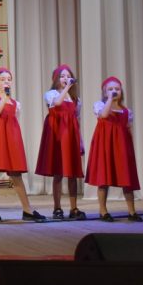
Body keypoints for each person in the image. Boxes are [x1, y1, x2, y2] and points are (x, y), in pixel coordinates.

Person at [0, 68, 46, 223]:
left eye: (8, 79)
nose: (6, 81)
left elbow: (13, 121)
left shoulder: (16, 103)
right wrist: (4, 98)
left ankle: (27, 210)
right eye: (2, 79)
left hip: (9, 137)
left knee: (16, 174)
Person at [85, 77, 143, 222]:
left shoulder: (126, 111)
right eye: (110, 89)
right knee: (104, 178)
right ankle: (103, 211)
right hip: (105, 146)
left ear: (121, 91)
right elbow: (104, 115)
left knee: (126, 178)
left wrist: (129, 150)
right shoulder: (100, 105)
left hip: (121, 146)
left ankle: (132, 211)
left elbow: (128, 130)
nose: (114, 91)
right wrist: (110, 100)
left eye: (117, 89)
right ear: (105, 92)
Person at [34, 64, 86, 220]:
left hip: (71, 137)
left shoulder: (76, 100)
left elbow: (76, 120)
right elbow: (57, 103)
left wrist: (80, 141)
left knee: (73, 173)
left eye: (68, 76)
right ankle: (57, 208)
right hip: (57, 136)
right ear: (56, 79)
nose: (66, 78)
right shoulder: (51, 94)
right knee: (58, 173)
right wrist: (67, 88)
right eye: (62, 76)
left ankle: (74, 208)